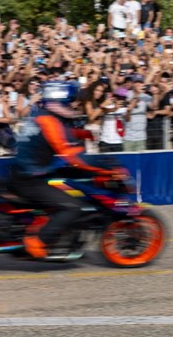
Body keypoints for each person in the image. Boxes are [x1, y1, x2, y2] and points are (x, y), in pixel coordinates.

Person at [10, 82, 121, 260]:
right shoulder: (49, 121)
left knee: (70, 186)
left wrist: (82, 134)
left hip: (28, 172)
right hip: (31, 179)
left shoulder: (41, 116)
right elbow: (70, 155)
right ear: (59, 103)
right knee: (72, 207)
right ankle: (37, 241)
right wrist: (104, 171)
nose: (74, 106)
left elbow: (62, 133)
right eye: (70, 102)